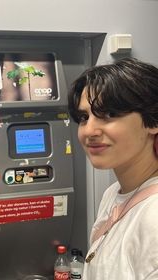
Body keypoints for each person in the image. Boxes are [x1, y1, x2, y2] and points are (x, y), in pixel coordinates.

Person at [68, 57, 158, 279]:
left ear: (153, 121)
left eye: (109, 114)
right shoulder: (113, 193)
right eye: (83, 117)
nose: (89, 131)